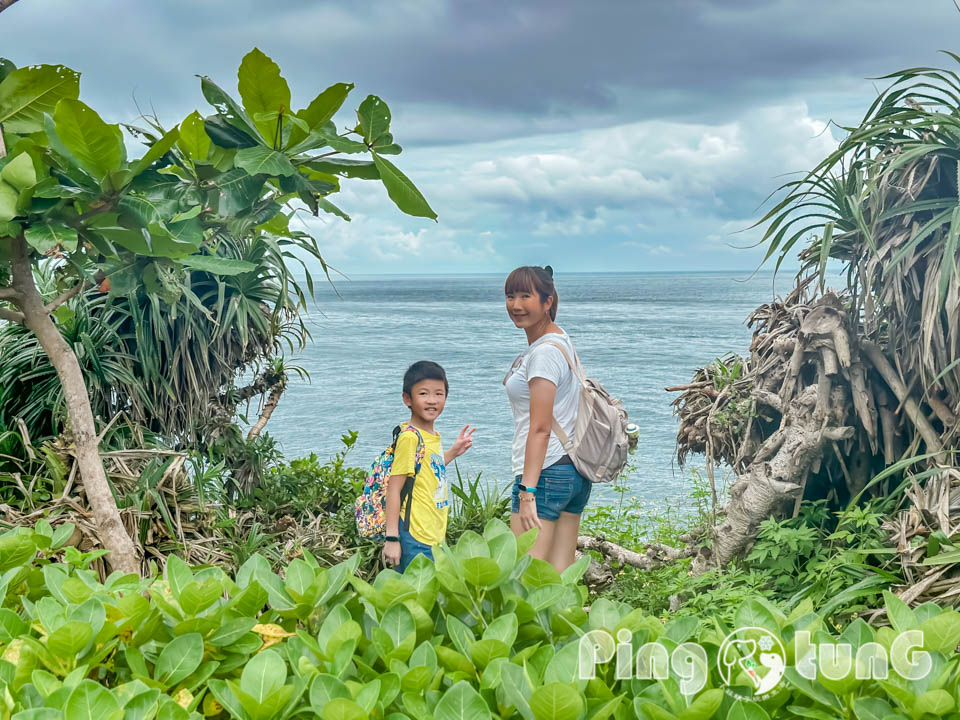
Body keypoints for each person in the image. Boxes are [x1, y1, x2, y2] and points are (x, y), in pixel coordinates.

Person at [503, 265, 588, 572]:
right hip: (572, 472)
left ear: (548, 301)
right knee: (559, 580)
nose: (515, 305)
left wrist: (527, 492)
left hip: (546, 476)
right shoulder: (561, 340)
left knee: (525, 579)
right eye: (510, 296)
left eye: (525, 296)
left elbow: (539, 428)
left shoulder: (543, 354)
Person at [382, 361, 475, 572]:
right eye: (423, 394)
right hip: (414, 535)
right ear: (408, 399)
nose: (432, 401)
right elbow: (394, 488)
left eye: (439, 394)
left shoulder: (432, 436)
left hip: (434, 536)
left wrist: (452, 453)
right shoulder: (409, 438)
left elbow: (427, 471)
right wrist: (392, 538)